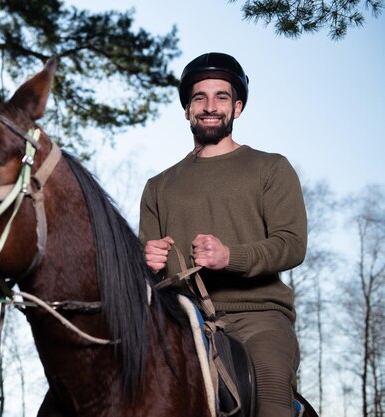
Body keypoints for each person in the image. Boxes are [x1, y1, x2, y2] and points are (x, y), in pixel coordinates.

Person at [139, 52, 307, 417]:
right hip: (180, 320)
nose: (210, 106)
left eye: (222, 97)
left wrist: (230, 257)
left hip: (258, 319)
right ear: (187, 109)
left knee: (270, 394)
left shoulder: (271, 168)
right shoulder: (157, 186)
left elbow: (291, 245)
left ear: (238, 107)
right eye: (199, 97)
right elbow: (146, 276)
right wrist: (147, 263)